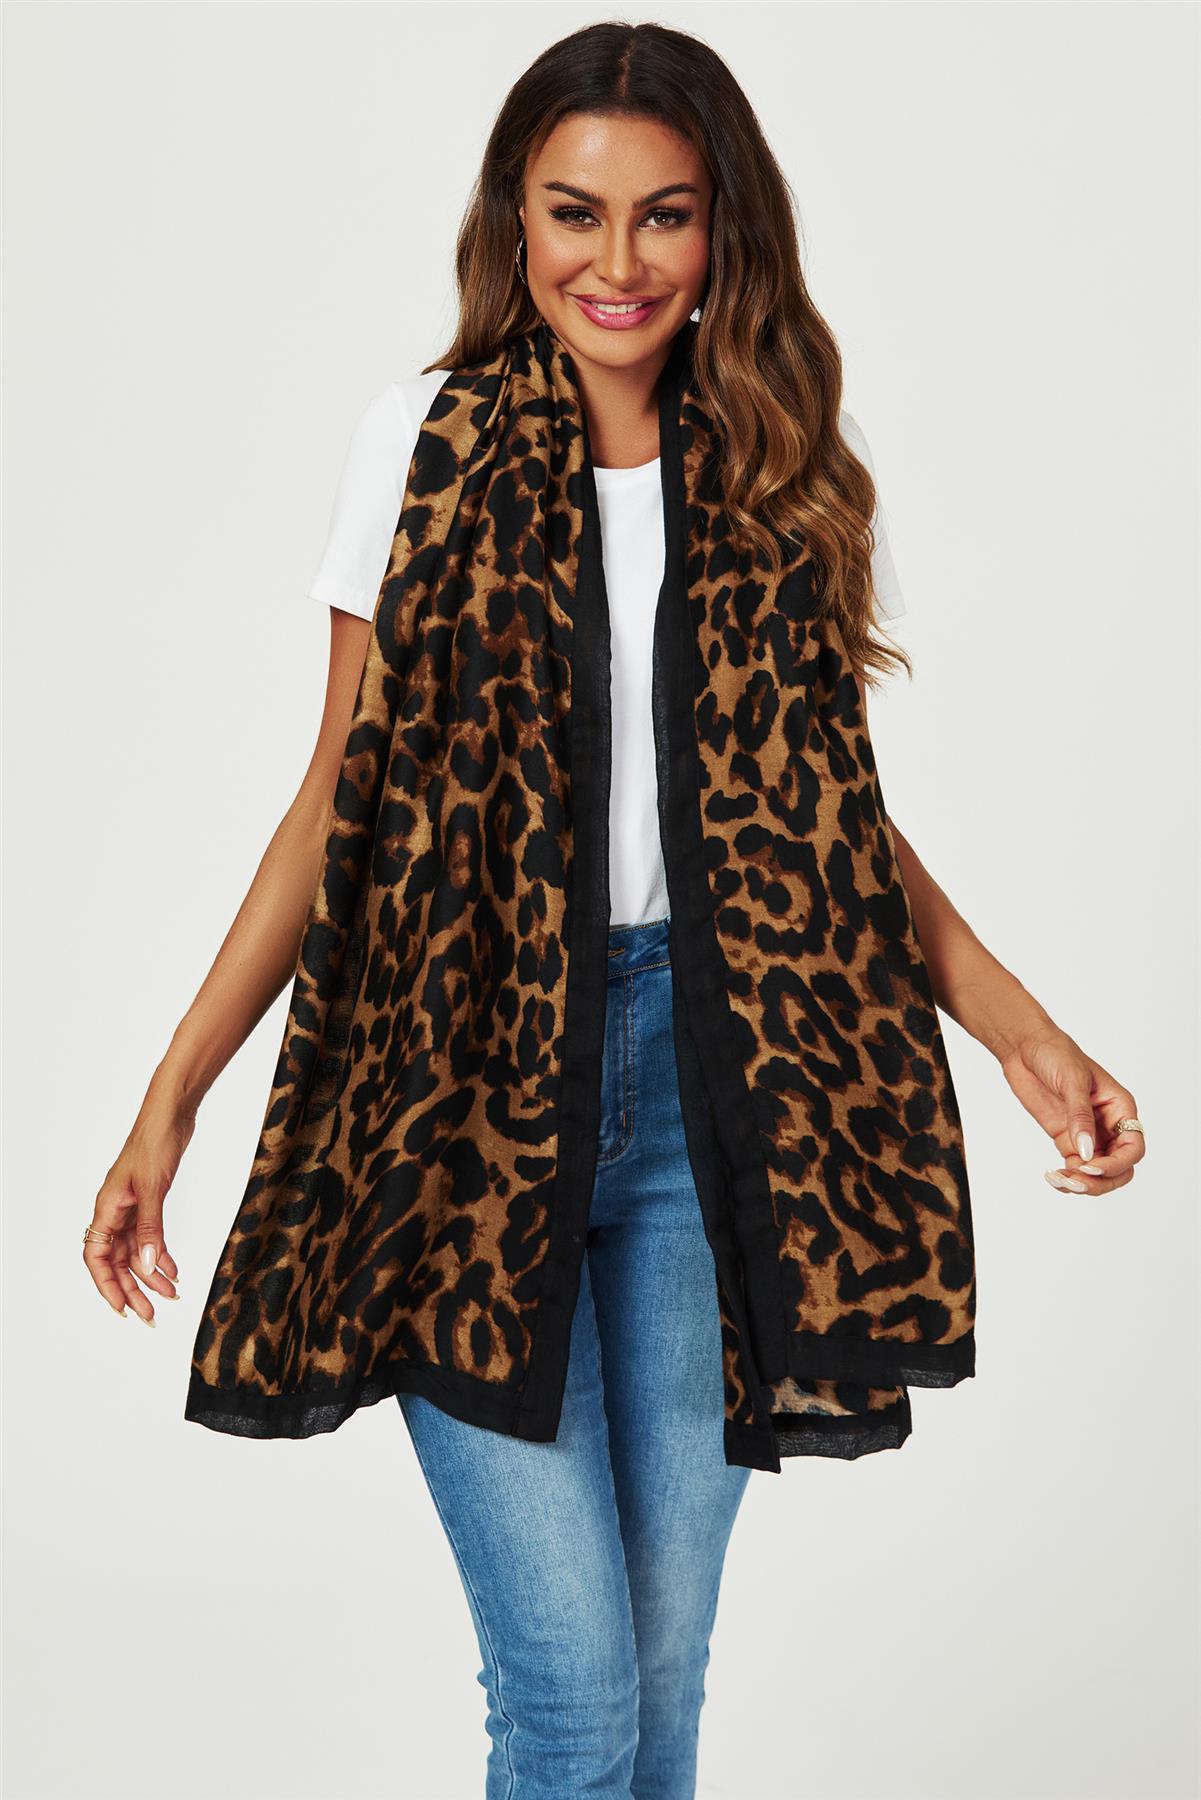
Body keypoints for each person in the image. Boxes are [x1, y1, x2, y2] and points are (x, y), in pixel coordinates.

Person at [82, 21, 1145, 1799]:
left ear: (724, 228)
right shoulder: (418, 445)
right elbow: (332, 802)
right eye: (575, 212)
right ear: (515, 219)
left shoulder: (785, 460)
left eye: (665, 213)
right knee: (570, 1699)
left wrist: (1028, 1041)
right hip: (463, 1096)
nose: (618, 261)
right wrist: (169, 1100)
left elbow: (831, 831)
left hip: (714, 1093)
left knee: (657, 1677)